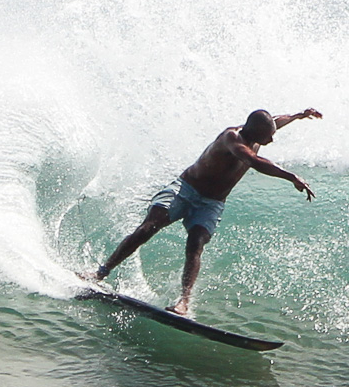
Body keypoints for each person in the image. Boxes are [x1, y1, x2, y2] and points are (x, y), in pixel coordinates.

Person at [82, 108, 322, 315]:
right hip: (185, 189)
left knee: (196, 244)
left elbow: (278, 120)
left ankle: (184, 301)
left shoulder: (258, 133)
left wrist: (299, 115)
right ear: (255, 131)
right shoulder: (233, 139)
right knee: (148, 228)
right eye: (268, 136)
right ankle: (101, 273)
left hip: (211, 203)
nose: (272, 140)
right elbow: (256, 162)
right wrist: (291, 177)